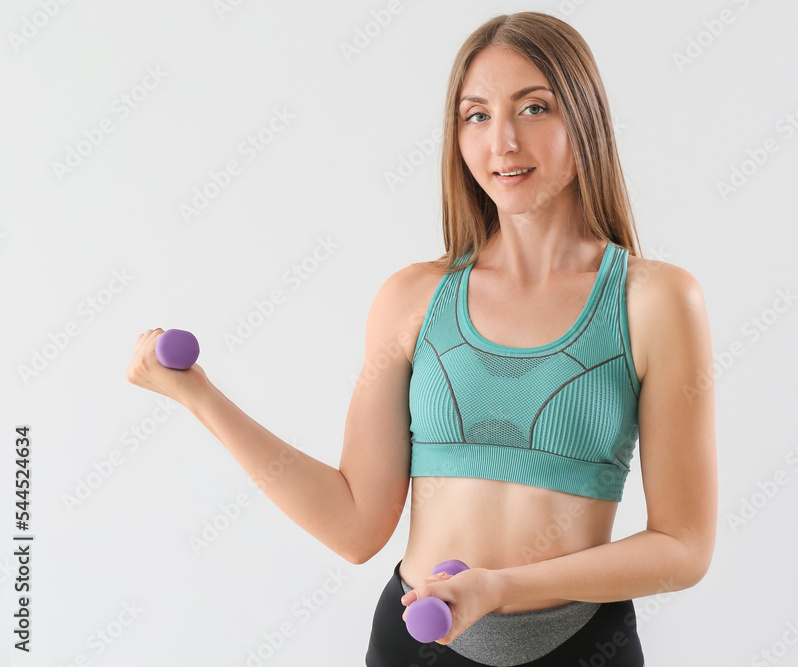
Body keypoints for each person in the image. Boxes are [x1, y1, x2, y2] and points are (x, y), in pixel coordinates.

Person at [126, 10, 716, 667]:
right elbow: (355, 525)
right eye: (477, 115)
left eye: (535, 108)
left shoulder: (654, 300)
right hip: (416, 646)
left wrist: (499, 587)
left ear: (586, 119)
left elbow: (682, 547)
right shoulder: (413, 298)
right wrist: (200, 396)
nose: (504, 142)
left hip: (581, 646)